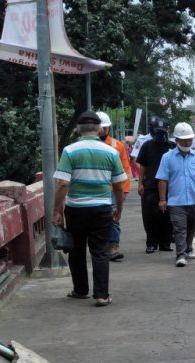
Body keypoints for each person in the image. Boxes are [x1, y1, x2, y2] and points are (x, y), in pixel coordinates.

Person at [54, 111, 126, 307]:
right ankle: (102, 295)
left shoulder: (69, 151)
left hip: (75, 208)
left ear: (78, 129)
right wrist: (118, 208)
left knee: (77, 251)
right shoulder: (111, 152)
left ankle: (80, 290)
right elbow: (119, 186)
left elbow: (62, 184)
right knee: (100, 251)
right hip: (102, 208)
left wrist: (56, 210)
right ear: (100, 129)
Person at [156, 123, 195, 267]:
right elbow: (163, 179)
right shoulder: (167, 157)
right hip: (176, 201)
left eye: (189, 139)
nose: (187, 142)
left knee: (191, 227)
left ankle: (188, 248)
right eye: (184, 140)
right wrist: (162, 199)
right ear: (176, 140)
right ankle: (180, 255)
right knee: (179, 229)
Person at [96, 111, 132, 262]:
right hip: (96, 188)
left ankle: (113, 247)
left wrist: (124, 190)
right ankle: (101, 247)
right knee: (97, 219)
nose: (103, 130)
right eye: (101, 127)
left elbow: (125, 169)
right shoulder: (87, 144)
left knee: (114, 218)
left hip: (113, 188)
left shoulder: (117, 145)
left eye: (105, 127)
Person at [136, 117, 174, 253]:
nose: (161, 134)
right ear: (154, 131)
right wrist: (140, 183)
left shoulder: (172, 147)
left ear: (167, 131)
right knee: (150, 216)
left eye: (163, 132)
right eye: (158, 131)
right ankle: (151, 243)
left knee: (167, 216)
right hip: (150, 186)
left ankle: (166, 242)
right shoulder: (147, 146)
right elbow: (142, 166)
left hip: (169, 187)